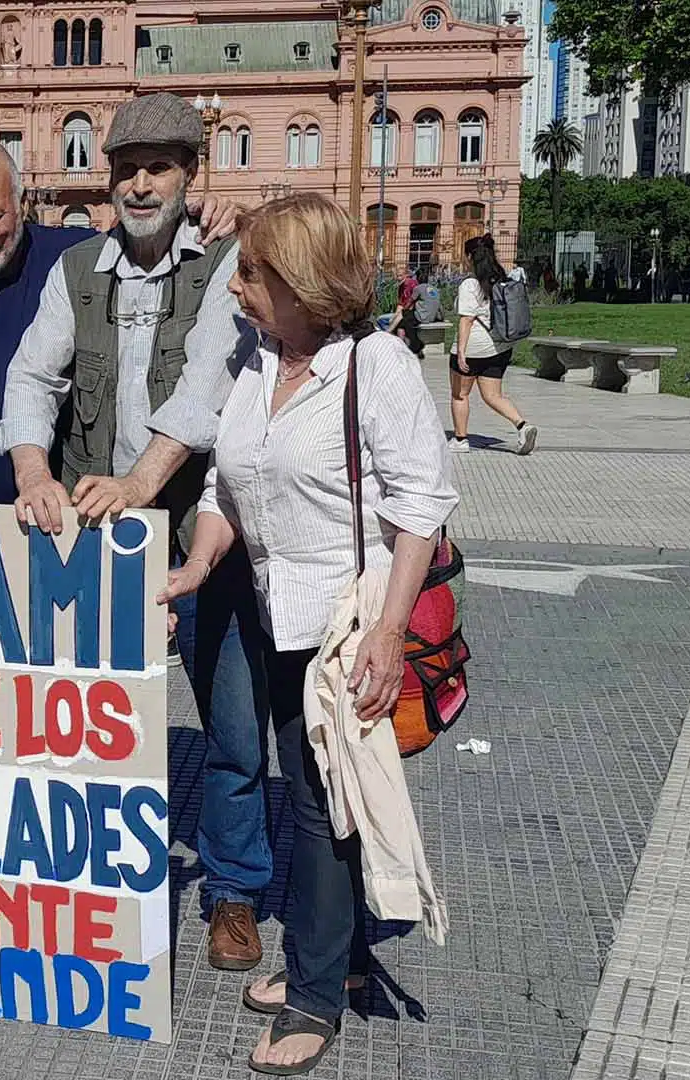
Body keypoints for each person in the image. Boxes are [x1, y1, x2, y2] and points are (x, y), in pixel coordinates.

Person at [160, 193, 456, 1075]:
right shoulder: (260, 363)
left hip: (342, 621)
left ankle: (318, 998)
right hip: (263, 608)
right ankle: (347, 965)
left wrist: (389, 630)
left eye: (251, 273)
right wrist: (195, 568)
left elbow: (421, 508)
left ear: (303, 281)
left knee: (324, 804)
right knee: (320, 794)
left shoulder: (378, 367)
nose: (237, 289)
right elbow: (225, 488)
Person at [0, 92, 274, 974]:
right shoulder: (76, 268)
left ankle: (233, 892)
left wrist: (141, 488)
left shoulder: (233, 263)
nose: (141, 183)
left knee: (231, 723)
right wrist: (35, 473)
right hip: (98, 537)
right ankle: (82, 884)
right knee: (79, 719)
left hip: (204, 535)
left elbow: (204, 391)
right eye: (126, 168)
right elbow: (31, 376)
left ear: (194, 177)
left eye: (159, 167)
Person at [0, 136, 237, 504]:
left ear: (22, 204)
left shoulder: (72, 255)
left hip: (62, 501)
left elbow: (145, 234)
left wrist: (202, 211)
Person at [447, 233, 536, 455]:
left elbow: (466, 320)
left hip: (475, 347)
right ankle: (522, 425)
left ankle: (460, 439)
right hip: (500, 347)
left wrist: (461, 352)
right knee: (493, 396)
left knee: (460, 394)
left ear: (470, 256)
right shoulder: (501, 278)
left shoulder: (470, 284)